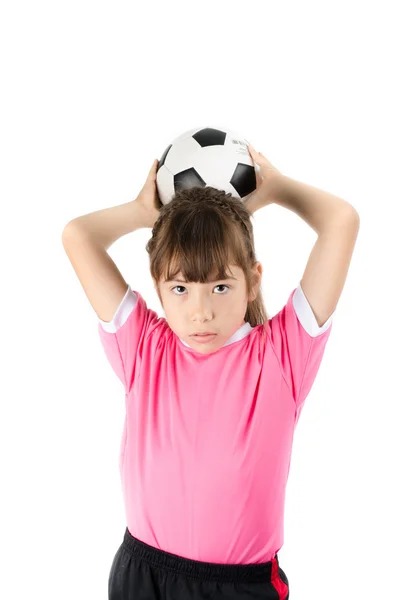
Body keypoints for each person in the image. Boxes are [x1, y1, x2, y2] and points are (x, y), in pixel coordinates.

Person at [61, 144, 360, 599]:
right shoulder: (143, 347)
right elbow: (76, 235)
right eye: (180, 288)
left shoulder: (281, 355)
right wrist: (145, 213)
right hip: (144, 575)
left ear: (253, 279)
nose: (201, 312)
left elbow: (341, 222)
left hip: (238, 587)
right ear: (158, 286)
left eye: (220, 285)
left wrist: (278, 190)